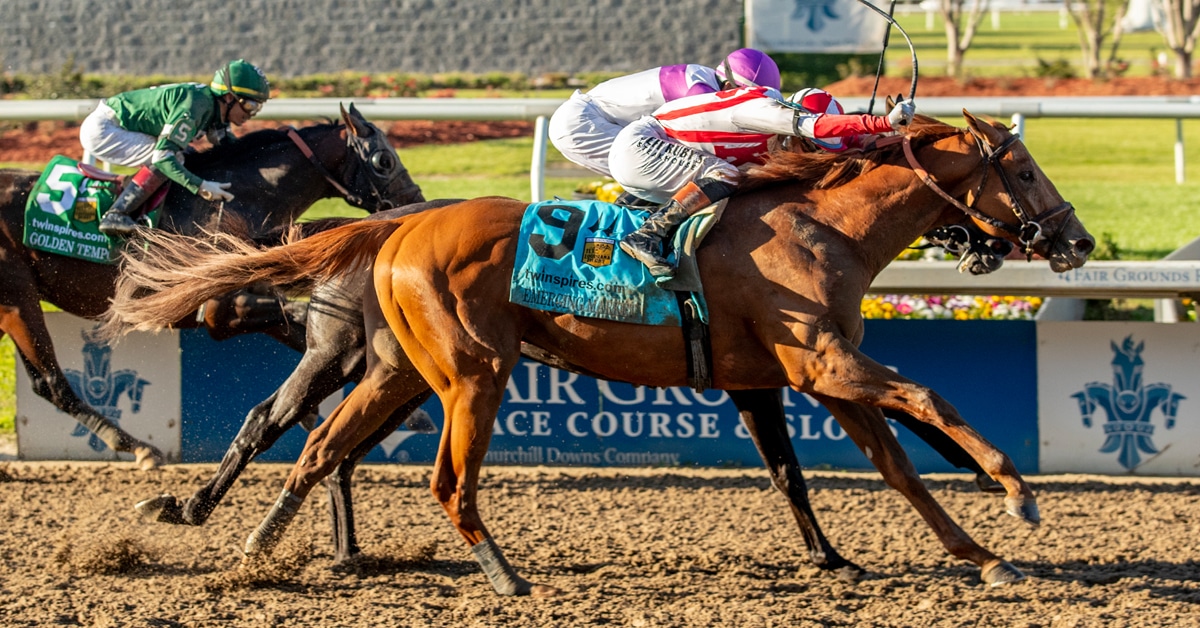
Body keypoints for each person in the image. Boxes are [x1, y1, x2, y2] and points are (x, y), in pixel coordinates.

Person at [611, 86, 916, 277]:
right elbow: (817, 126)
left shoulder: (778, 129)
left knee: (734, 182)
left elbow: (844, 143)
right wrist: (883, 122)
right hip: (640, 148)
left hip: (649, 159)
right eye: (809, 146)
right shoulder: (765, 111)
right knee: (726, 175)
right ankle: (644, 237)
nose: (808, 154)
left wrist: (887, 138)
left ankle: (634, 216)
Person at [80, 59, 271, 237]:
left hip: (118, 124)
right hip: (105, 129)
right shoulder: (197, 105)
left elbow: (231, 150)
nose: (251, 114)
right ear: (229, 97)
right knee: (169, 159)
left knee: (188, 155)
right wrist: (201, 187)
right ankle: (116, 214)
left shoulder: (213, 107)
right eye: (249, 105)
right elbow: (163, 158)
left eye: (258, 108)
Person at [548, 48, 781, 178]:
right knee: (699, 173)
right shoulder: (701, 89)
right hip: (581, 123)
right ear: (730, 86)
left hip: (586, 119)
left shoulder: (705, 79)